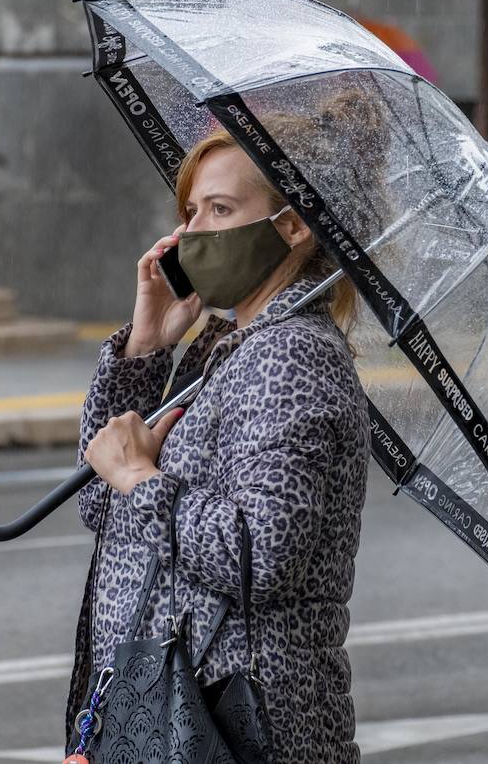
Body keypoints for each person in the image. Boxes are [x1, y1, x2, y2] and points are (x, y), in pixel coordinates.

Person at [64, 115, 374, 764]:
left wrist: (143, 480)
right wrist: (146, 346)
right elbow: (101, 504)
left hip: (239, 723)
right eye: (191, 211)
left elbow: (260, 557)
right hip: (164, 713)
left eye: (220, 209)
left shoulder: (292, 357)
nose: (191, 233)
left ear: (292, 226)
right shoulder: (225, 347)